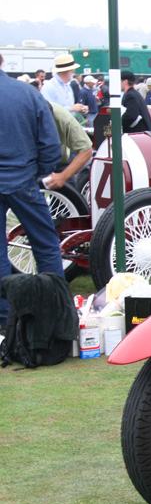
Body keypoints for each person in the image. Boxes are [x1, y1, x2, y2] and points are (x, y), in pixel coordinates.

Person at [0, 53, 64, 332]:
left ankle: (5, 317)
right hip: (23, 178)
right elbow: (50, 142)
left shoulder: (27, 93)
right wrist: (37, 171)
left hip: (20, 175)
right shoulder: (27, 93)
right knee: (46, 245)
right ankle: (56, 310)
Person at [45, 102, 92, 190]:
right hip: (30, 161)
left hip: (60, 159)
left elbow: (86, 151)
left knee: (71, 195)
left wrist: (63, 176)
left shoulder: (62, 116)